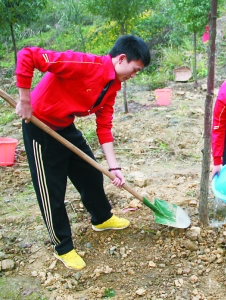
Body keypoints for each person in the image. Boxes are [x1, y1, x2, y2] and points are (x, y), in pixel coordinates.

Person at [14, 35, 151, 270]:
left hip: (64, 126)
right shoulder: (84, 63)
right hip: (39, 127)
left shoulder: (112, 85)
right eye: (135, 69)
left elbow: (104, 126)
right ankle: (63, 247)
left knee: (90, 173)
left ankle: (102, 218)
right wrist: (25, 99)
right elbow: (28, 55)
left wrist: (114, 167)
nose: (134, 75)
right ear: (121, 58)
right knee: (51, 192)